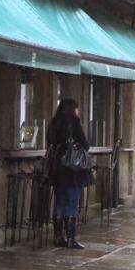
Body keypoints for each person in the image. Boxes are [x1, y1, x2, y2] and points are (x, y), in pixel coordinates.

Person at [46, 99, 94, 249]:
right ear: (73, 109)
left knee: (59, 202)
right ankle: (71, 239)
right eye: (77, 108)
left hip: (58, 169)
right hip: (73, 169)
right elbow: (85, 144)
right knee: (72, 202)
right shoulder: (74, 123)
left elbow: (50, 142)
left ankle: (58, 237)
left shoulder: (54, 123)